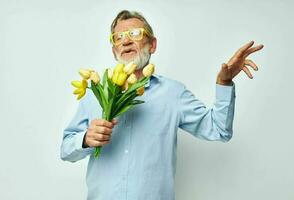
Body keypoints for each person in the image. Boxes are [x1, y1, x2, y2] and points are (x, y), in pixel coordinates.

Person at [60, 10, 264, 200]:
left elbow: (219, 130)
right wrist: (86, 139)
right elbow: (66, 149)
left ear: (153, 45)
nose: (126, 41)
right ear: (114, 50)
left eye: (135, 33)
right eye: (118, 37)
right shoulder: (95, 92)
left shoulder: (173, 93)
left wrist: (224, 83)